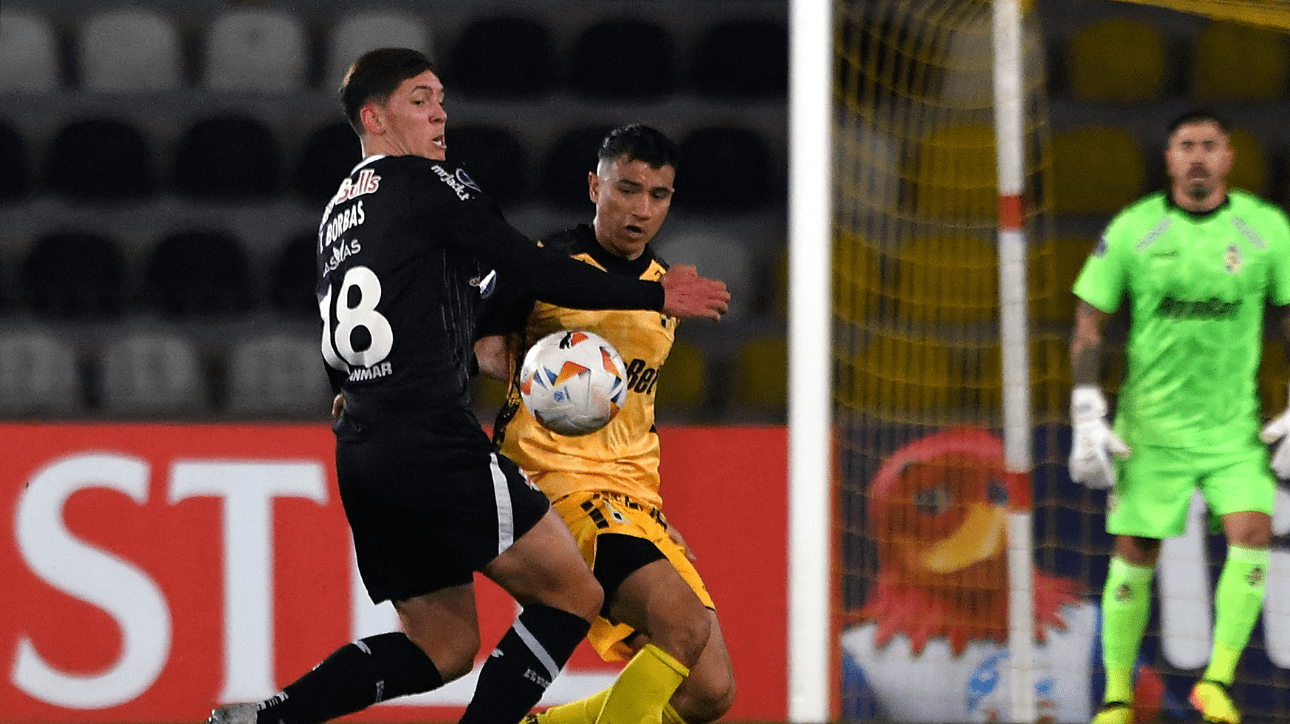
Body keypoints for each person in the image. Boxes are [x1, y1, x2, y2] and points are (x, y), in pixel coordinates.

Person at [207, 49, 729, 724]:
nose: (440, 114)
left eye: (441, 99)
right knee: (572, 594)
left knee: (443, 645)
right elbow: (523, 264)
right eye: (420, 100)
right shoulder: (427, 183)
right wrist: (652, 294)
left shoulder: (339, 212)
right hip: (430, 436)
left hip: (362, 445)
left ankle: (272, 716)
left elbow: (338, 329)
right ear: (375, 116)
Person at [473, 124, 736, 724]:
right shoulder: (542, 267)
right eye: (627, 188)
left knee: (710, 694)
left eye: (658, 195)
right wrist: (506, 361)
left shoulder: (666, 294)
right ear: (595, 186)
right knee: (683, 622)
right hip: (557, 486)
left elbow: (635, 408)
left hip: (634, 498)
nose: (640, 209)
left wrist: (652, 515)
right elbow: (479, 344)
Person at [1070, 109, 1290, 724]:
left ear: (1228, 158)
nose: (1197, 156)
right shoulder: (1135, 229)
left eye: (1209, 146)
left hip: (1232, 429)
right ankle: (1116, 698)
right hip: (1153, 431)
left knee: (1253, 533)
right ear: (1169, 158)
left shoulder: (1267, 228)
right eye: (1186, 145)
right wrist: (1087, 405)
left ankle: (1216, 683)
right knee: (1136, 551)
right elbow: (1090, 320)